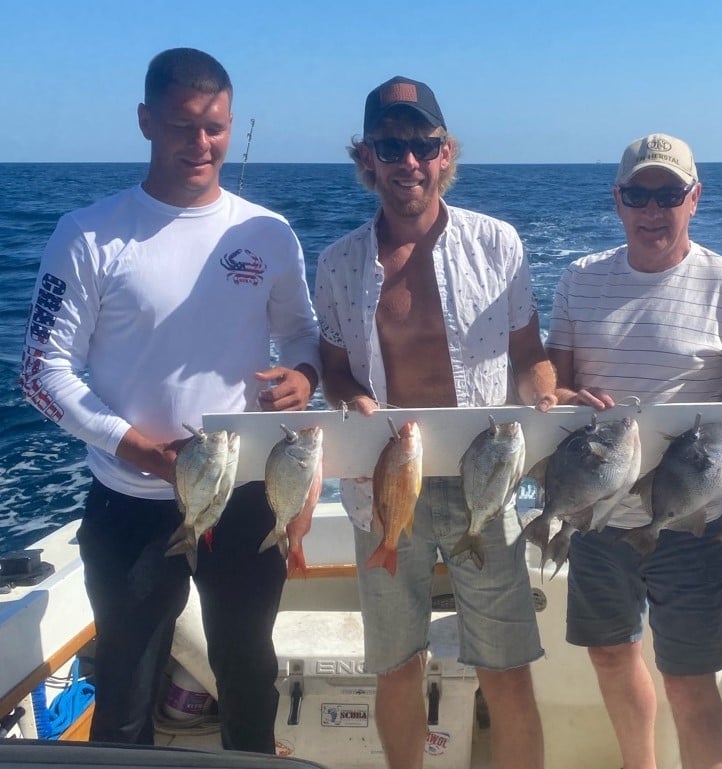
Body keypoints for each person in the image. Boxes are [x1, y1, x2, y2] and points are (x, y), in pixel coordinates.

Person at [18, 48, 321, 751]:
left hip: (245, 496)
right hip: (131, 502)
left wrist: (304, 373)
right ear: (146, 121)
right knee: (125, 687)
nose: (202, 143)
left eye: (215, 126)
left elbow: (303, 334)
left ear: (231, 123)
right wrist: (135, 448)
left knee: (249, 672)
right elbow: (40, 370)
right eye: (184, 125)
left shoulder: (268, 234)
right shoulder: (88, 234)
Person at [314, 75, 555, 769]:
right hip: (384, 483)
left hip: (483, 479)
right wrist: (349, 396)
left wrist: (545, 398)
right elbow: (332, 366)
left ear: (446, 152)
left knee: (506, 667)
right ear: (368, 158)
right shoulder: (337, 263)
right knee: (396, 665)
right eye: (392, 146)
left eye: (423, 144)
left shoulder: (497, 243)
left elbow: (530, 355)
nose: (409, 161)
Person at [546, 134, 722, 769]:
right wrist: (560, 394)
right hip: (596, 514)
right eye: (639, 195)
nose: (653, 210)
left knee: (690, 679)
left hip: (692, 519)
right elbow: (550, 383)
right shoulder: (579, 280)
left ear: (694, 198)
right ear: (618, 200)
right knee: (612, 655)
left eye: (668, 194)